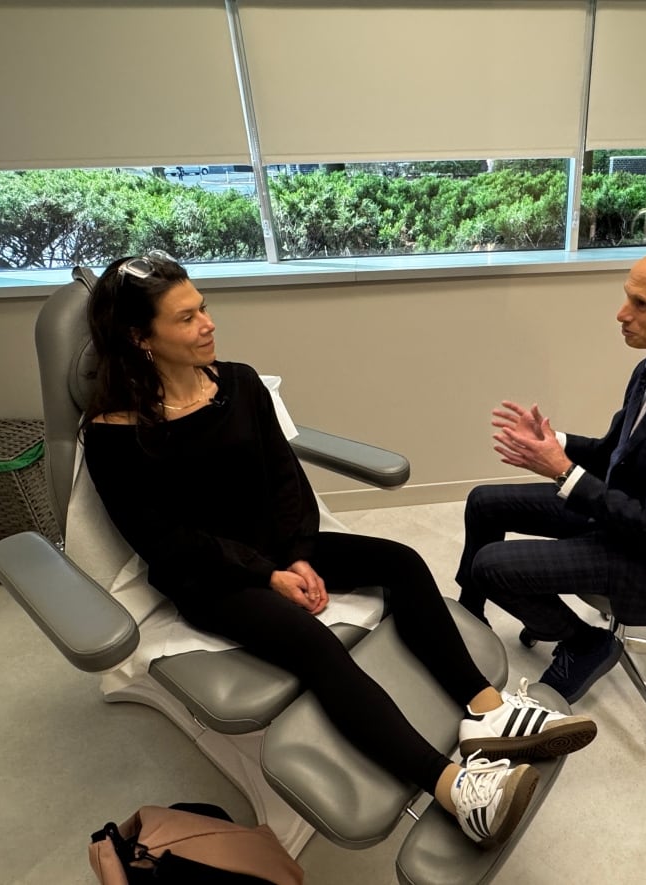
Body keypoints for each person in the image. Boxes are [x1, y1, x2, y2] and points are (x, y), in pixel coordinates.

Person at [81, 250, 598, 849]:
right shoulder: (114, 434)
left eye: (205, 307)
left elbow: (285, 480)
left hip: (278, 546)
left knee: (400, 562)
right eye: (186, 318)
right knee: (314, 644)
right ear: (140, 338)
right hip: (210, 576)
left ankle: (486, 711)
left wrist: (299, 555)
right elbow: (164, 539)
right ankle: (457, 791)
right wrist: (268, 577)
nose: (208, 324)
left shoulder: (239, 382)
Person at [455, 245, 646, 704]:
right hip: (622, 510)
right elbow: (614, 452)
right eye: (627, 298)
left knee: (493, 565)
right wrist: (555, 442)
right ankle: (468, 612)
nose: (622, 314)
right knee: (484, 501)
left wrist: (563, 473)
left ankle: (584, 641)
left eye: (641, 304)